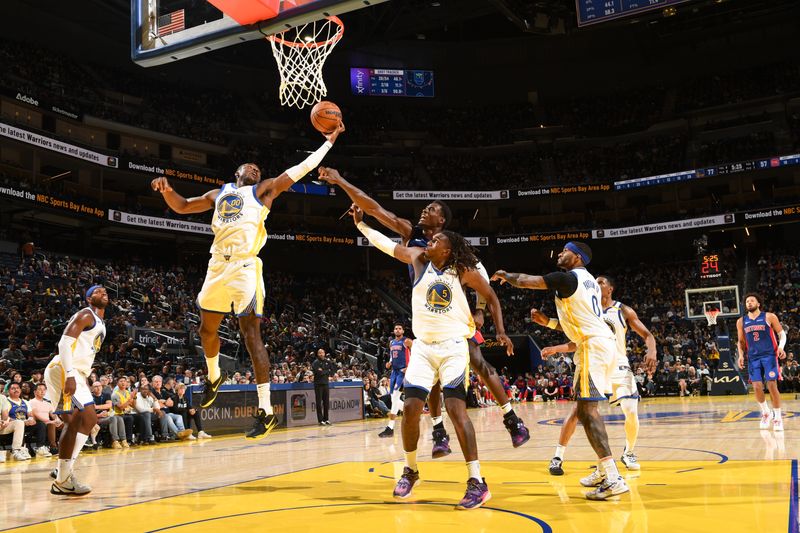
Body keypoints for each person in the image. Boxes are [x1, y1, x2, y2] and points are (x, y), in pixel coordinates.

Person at [152, 121, 344, 439]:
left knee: (250, 335)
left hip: (244, 267)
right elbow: (183, 206)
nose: (255, 168)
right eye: (250, 166)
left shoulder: (263, 190)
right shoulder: (220, 193)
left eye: (258, 167)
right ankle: (214, 376)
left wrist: (327, 144)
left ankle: (265, 411)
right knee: (206, 329)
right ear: (237, 172)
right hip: (216, 266)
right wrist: (167, 190)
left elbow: (298, 170)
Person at [319, 167, 529, 453]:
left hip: (456, 315)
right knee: (428, 375)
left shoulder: (454, 247)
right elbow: (376, 208)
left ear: (441, 220)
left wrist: (481, 312)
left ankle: (511, 418)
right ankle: (439, 430)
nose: (424, 211)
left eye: (430, 209)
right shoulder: (412, 235)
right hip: (426, 310)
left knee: (479, 362)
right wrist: (341, 182)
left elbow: (483, 278)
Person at [353, 205, 512, 510]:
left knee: (456, 409)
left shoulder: (462, 271)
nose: (430, 242)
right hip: (424, 348)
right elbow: (385, 244)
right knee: (411, 409)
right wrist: (361, 226)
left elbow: (490, 295)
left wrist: (501, 330)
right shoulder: (416, 258)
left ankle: (477, 481)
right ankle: (410, 470)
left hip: (453, 346)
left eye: (437, 240)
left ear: (448, 249)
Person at [492, 242, 629, 500]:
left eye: (564, 251)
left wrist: (504, 275)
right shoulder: (588, 282)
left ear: (576, 257)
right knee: (588, 410)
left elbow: (524, 281)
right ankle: (603, 470)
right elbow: (579, 321)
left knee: (587, 413)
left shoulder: (568, 278)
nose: (559, 254)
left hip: (591, 347)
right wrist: (548, 322)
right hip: (601, 345)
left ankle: (613, 477)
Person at [534, 274, 658, 479]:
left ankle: (628, 453)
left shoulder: (622, 310)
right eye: (596, 282)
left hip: (618, 364)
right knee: (579, 410)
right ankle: (558, 456)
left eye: (601, 282)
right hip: (594, 361)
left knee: (630, 409)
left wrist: (651, 351)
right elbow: (577, 338)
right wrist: (551, 333)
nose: (597, 285)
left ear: (610, 289)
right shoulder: (588, 311)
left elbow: (648, 335)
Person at [44, 285, 108, 495]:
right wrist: (70, 374)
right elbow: (64, 344)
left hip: (77, 373)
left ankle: (63, 470)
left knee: (88, 421)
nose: (103, 292)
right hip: (64, 369)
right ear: (89, 298)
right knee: (79, 419)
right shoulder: (85, 314)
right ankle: (63, 478)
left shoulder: (100, 322)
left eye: (105, 291)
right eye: (97, 291)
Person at [737, 293, 787, 431]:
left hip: (770, 356)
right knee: (757, 386)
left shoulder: (769, 316)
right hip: (753, 358)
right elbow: (740, 342)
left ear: (758, 303)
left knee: (771, 384)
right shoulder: (741, 321)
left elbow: (781, 334)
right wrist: (740, 355)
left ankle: (777, 417)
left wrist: (781, 347)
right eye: (747, 301)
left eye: (752, 300)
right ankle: (766, 413)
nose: (749, 303)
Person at [378, 323, 412, 437]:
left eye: (399, 328)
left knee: (396, 397)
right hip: (394, 372)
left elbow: (415, 354)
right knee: (394, 399)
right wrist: (390, 362)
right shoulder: (391, 342)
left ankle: (390, 428)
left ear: (403, 331)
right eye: (396, 328)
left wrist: (409, 367)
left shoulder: (407, 341)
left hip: (403, 372)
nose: (397, 330)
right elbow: (393, 355)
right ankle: (411, 412)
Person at [0, 382, 35, 460]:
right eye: (13, 388)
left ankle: (17, 450)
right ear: (8, 391)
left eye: (17, 388)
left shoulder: (2, 398)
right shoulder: (8, 400)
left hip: (2, 427)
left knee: (20, 423)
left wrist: (4, 421)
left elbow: (5, 417)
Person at [29, 383, 62, 456]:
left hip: (48, 422)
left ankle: (66, 446)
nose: (42, 391)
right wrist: (50, 421)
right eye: (40, 389)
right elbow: (36, 415)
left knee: (64, 425)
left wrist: (57, 420)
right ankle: (53, 448)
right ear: (35, 392)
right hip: (38, 423)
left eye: (44, 390)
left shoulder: (48, 403)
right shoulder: (31, 402)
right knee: (51, 424)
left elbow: (53, 414)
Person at [311, 348, 336, 425]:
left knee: (326, 402)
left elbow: (332, 372)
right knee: (318, 403)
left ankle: (326, 419)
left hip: (326, 384)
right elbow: (319, 373)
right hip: (318, 384)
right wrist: (326, 371)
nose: (321, 354)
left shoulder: (328, 362)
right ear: (317, 354)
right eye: (319, 353)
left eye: (322, 353)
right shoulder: (315, 362)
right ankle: (320, 420)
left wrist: (324, 371)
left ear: (324, 353)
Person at [110, 377, 135, 447]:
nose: (123, 382)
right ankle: (123, 440)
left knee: (138, 417)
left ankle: (128, 440)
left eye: (124, 381)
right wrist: (129, 401)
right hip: (117, 414)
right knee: (127, 418)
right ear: (117, 383)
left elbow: (132, 406)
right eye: (121, 381)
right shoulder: (115, 394)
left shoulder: (128, 392)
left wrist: (134, 397)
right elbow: (120, 407)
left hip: (127, 413)